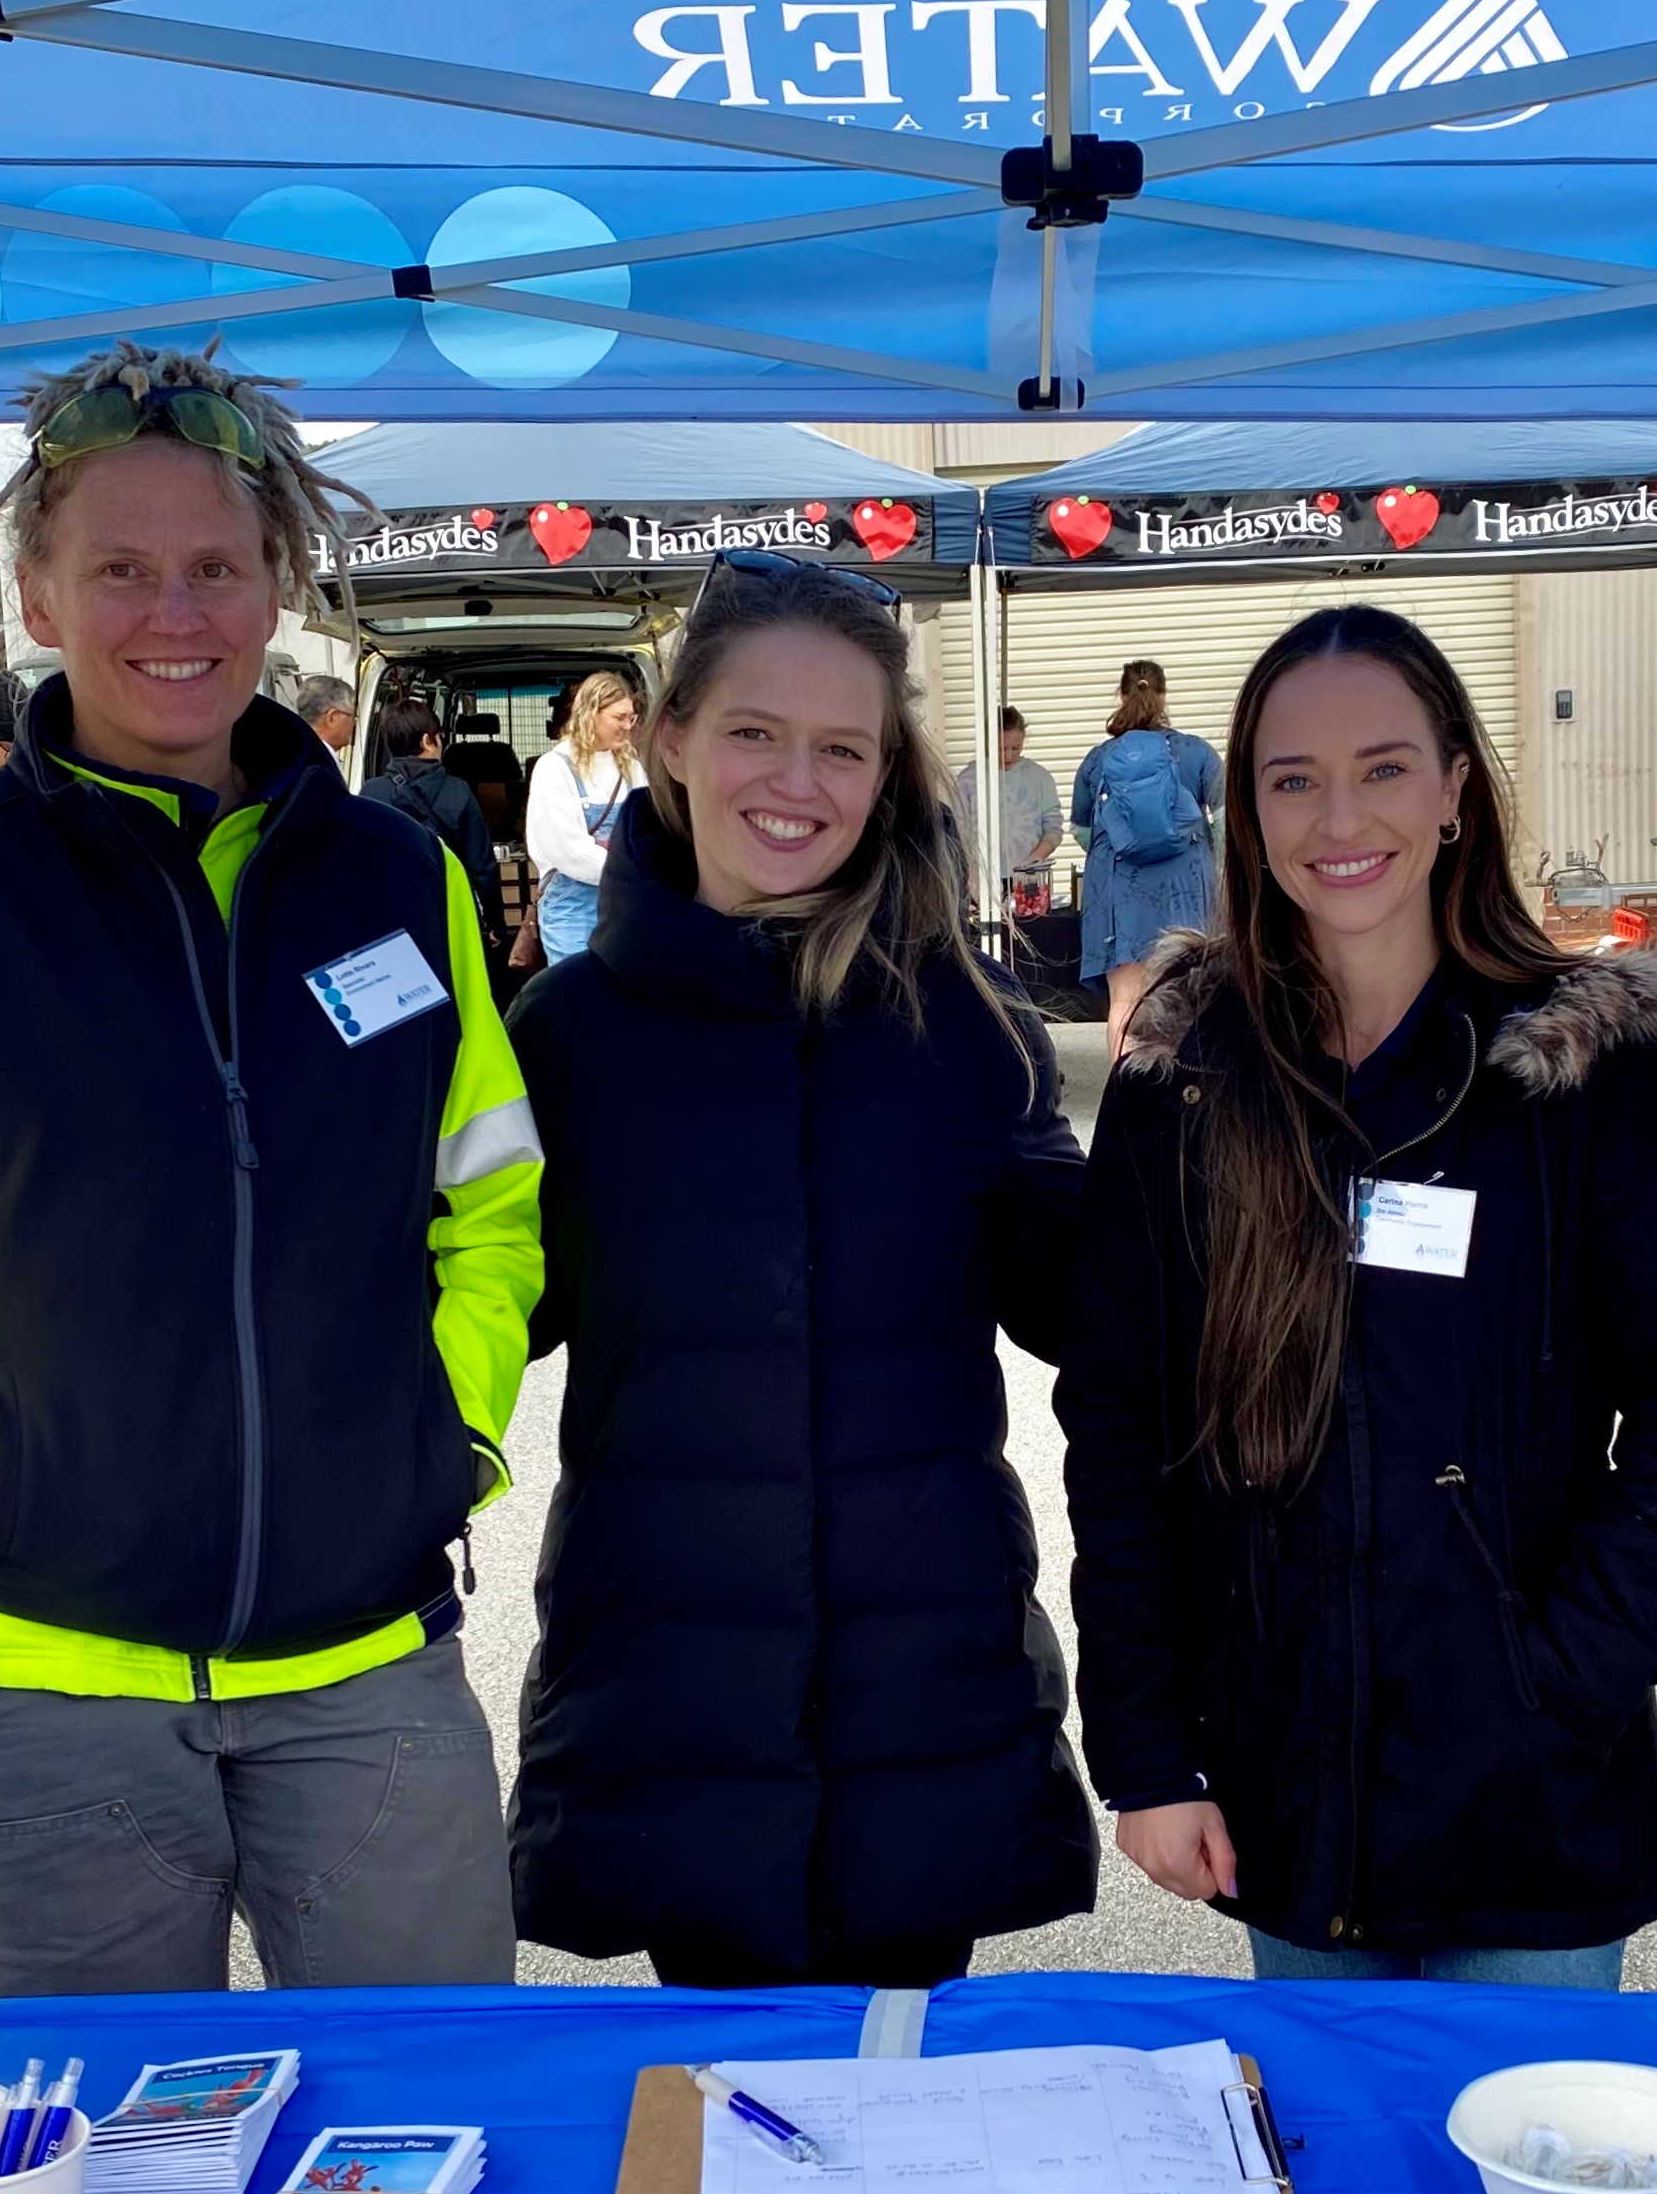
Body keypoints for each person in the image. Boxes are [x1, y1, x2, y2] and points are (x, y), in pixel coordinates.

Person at [0, 340, 541, 1999]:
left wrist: (456, 1426)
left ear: (279, 582)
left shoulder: (396, 879)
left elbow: (490, 1200)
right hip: (26, 1665)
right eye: (120, 567)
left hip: (367, 1643)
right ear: (39, 595)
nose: (176, 611)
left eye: (217, 565)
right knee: (85, 2167)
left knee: (428, 2133)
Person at [1061, 607, 1657, 1982]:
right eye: (1292, 777)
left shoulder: (1582, 1070)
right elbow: (1117, 1425)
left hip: (1534, 1795)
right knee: (1330, 2180)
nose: (1341, 814)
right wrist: (1145, 1743)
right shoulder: (1185, 1085)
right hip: (1281, 1780)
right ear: (1246, 812)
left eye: (1384, 766)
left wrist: (1572, 1670)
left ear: (1455, 787)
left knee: (1536, 2183)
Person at [505, 549, 1096, 1987]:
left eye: (845, 746)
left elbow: (1079, 1296)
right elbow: (479, 1317)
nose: (798, 779)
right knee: (713, 2130)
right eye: (755, 732)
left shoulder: (963, 1017)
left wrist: (1209, 1139)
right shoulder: (568, 1035)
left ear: (888, 774)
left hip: (922, 1686)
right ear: (669, 742)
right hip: (670, 1677)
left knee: (908, 2124)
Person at [1071, 657, 1222, 1051]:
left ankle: (1126, 1101)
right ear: (1164, 695)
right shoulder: (1197, 753)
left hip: (1120, 892)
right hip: (1186, 887)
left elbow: (1082, 831)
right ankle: (1190, 1097)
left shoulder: (1098, 759)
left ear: (1120, 695)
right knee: (1195, 998)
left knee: (1125, 1001)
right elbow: (1226, 821)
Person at [365, 699, 505, 957]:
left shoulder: (370, 793)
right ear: (428, 741)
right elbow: (481, 866)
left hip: (390, 915)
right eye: (439, 736)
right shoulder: (458, 790)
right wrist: (495, 921)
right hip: (450, 909)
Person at [524, 671, 641, 962]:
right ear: (591, 713)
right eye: (619, 717)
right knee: (578, 1002)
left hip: (626, 905)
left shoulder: (632, 767)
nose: (628, 726)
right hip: (571, 910)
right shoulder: (554, 768)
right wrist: (634, 870)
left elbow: (650, 831)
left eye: (632, 718)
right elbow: (569, 852)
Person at [954, 703, 1064, 917]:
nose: (1008, 755)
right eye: (1001, 748)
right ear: (987, 742)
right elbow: (957, 831)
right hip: (978, 878)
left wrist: (1033, 861)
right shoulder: (969, 779)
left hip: (1028, 878)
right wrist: (970, 873)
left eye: (1015, 747)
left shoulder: (1039, 777)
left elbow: (1053, 828)